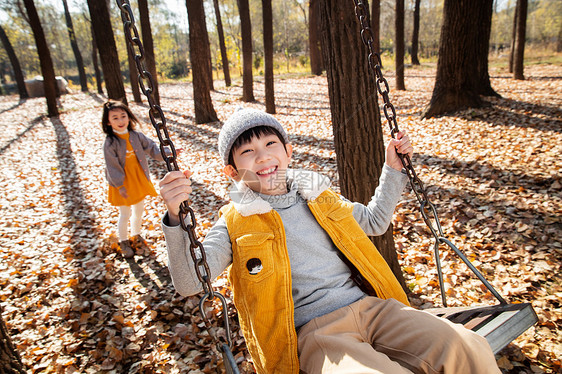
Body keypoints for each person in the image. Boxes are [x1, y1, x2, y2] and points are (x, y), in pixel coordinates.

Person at [159, 108, 500, 374]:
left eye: (270, 144)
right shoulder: (235, 222)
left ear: (288, 152)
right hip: (317, 333)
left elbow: (375, 221)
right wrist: (175, 217)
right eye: (247, 151)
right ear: (232, 172)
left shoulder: (320, 197)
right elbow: (191, 283)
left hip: (374, 309)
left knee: (467, 347)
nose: (262, 157)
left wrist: (392, 169)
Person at [102, 99, 163, 258]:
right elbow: (112, 166)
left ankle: (136, 235)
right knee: (125, 213)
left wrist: (168, 153)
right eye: (115, 118)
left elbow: (152, 148)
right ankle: (123, 241)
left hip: (138, 179)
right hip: (122, 184)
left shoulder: (136, 136)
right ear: (108, 122)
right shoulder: (110, 142)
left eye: (123, 116)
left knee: (139, 210)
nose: (120, 121)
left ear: (129, 117)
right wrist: (120, 186)